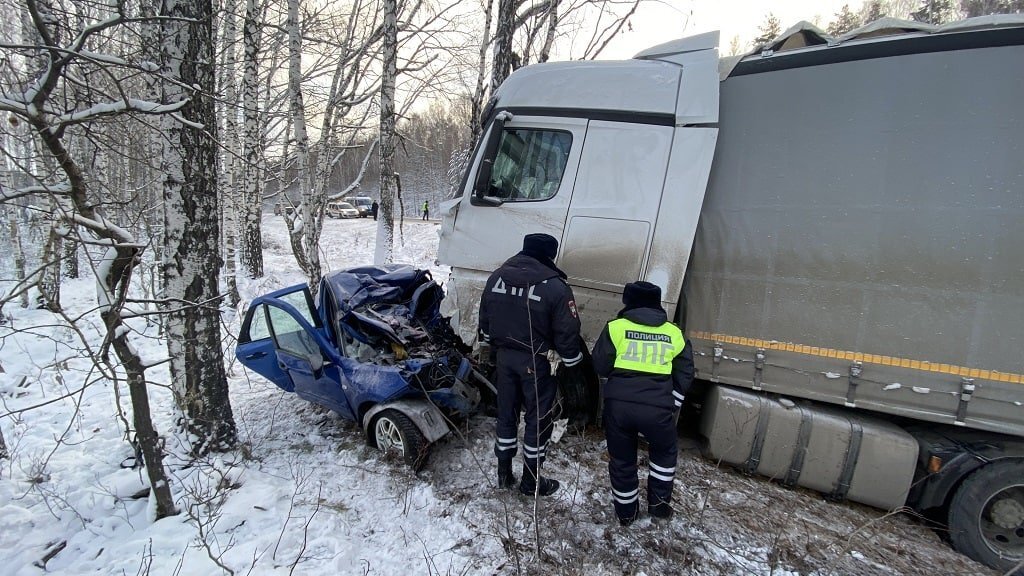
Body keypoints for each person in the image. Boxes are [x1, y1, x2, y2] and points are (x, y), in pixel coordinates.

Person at [479, 233, 584, 497]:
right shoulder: (556, 287)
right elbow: (567, 332)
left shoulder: (496, 278)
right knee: (538, 420)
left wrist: (494, 348)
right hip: (536, 362)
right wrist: (572, 364)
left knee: (506, 414)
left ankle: (503, 475)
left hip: (504, 359)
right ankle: (531, 482)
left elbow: (485, 322)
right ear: (550, 255)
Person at [591, 281, 694, 526]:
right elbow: (686, 371)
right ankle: (659, 508)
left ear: (629, 302)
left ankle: (627, 515)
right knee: (664, 454)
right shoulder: (674, 333)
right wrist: (674, 401)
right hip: (658, 408)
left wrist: (613, 389)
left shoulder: (616, 328)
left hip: (619, 408)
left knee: (622, 460)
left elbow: (600, 364)